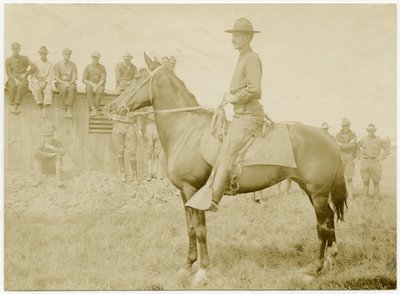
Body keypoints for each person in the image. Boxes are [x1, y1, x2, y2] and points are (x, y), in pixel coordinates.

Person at [190, 18, 265, 212]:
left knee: (227, 150)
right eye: (233, 34)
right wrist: (229, 96)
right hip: (241, 114)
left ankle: (214, 199)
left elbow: (255, 89)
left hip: (249, 116)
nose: (233, 38)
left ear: (248, 37)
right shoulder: (242, 58)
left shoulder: (252, 58)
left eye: (237, 34)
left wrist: (234, 98)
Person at [110, 111, 143, 184]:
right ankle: (122, 173)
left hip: (130, 125)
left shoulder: (133, 100)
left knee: (132, 152)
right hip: (118, 125)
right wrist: (111, 117)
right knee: (120, 151)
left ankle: (135, 175)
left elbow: (138, 114)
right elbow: (106, 110)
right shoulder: (117, 102)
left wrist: (139, 128)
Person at [358, 124, 390, 198]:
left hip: (375, 162)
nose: (370, 132)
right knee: (365, 181)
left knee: (376, 181)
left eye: (372, 131)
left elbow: (387, 148)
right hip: (365, 162)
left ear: (374, 131)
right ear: (367, 131)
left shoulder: (379, 140)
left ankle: (376, 199)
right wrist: (360, 156)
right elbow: (356, 147)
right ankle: (365, 198)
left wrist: (381, 157)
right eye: (369, 131)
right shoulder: (363, 139)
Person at [5, 42, 37, 114]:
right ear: (11, 49)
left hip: (22, 78)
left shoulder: (24, 58)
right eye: (13, 48)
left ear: (19, 49)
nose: (15, 50)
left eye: (16, 48)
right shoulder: (8, 60)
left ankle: (16, 105)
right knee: (12, 85)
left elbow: (34, 66)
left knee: (22, 85)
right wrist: (15, 80)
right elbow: (9, 73)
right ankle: (12, 104)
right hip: (13, 78)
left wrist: (26, 74)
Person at [335, 117, 357, 197]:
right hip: (340, 158)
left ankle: (351, 195)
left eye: (347, 125)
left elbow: (353, 145)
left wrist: (342, 145)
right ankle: (341, 194)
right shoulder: (338, 135)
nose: (346, 127)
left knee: (349, 178)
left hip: (350, 158)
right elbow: (337, 146)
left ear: (349, 126)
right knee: (340, 178)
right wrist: (348, 145)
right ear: (342, 126)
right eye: (344, 125)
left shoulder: (353, 134)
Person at [30, 46, 54, 118]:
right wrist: (37, 81)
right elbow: (32, 76)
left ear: (46, 54)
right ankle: (41, 108)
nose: (43, 55)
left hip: (46, 82)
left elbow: (50, 76)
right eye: (42, 53)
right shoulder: (35, 63)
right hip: (37, 81)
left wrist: (46, 82)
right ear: (39, 54)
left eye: (45, 54)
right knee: (36, 89)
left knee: (49, 89)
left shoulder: (50, 64)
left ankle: (44, 108)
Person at [54, 48, 78, 118]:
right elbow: (56, 77)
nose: (68, 55)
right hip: (60, 82)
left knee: (73, 88)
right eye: (66, 54)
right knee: (64, 89)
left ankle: (69, 108)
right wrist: (64, 83)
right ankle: (64, 108)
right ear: (63, 54)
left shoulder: (73, 65)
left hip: (70, 82)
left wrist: (70, 82)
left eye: (69, 54)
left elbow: (74, 77)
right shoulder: (58, 64)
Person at [83, 52, 106, 117]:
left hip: (99, 84)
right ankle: (93, 108)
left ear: (99, 59)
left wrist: (97, 86)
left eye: (97, 58)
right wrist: (93, 85)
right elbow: (84, 79)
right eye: (94, 58)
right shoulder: (87, 67)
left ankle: (95, 109)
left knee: (101, 90)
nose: (95, 59)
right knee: (88, 89)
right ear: (92, 58)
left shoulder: (102, 68)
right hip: (90, 84)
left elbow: (103, 79)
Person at [144, 112, 162, 181]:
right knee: (149, 152)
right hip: (149, 126)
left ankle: (155, 172)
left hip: (158, 126)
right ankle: (149, 173)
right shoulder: (147, 104)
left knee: (157, 152)